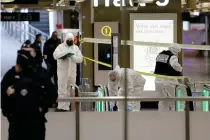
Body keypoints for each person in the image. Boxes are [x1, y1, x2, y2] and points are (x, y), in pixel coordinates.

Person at [1, 49, 57, 140]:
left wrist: (42, 107)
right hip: (24, 122)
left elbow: (52, 93)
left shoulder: (39, 73)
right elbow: (52, 93)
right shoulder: (13, 74)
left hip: (26, 122)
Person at [53, 32, 83, 111]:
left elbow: (80, 59)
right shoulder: (60, 47)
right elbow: (55, 55)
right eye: (68, 40)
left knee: (69, 90)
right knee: (62, 90)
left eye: (71, 40)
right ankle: (61, 107)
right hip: (62, 72)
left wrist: (71, 56)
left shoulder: (76, 48)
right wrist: (65, 53)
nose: (70, 41)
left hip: (72, 73)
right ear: (65, 39)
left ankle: (66, 106)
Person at [154, 44, 183, 111]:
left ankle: (162, 117)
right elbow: (175, 65)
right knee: (173, 101)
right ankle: (173, 117)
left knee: (162, 100)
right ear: (175, 50)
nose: (177, 53)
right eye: (178, 52)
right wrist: (180, 69)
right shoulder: (172, 56)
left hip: (158, 80)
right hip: (169, 81)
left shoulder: (160, 54)